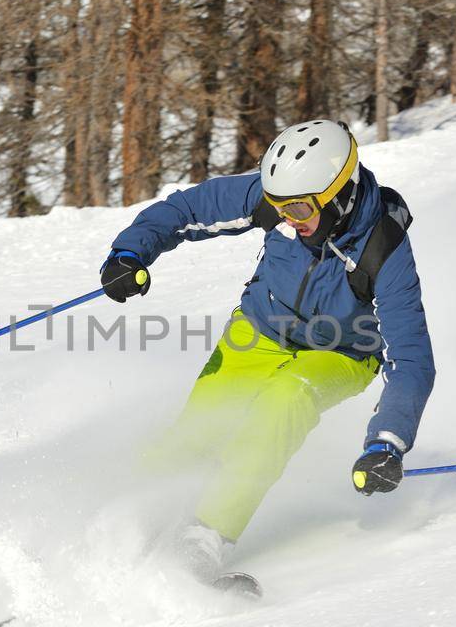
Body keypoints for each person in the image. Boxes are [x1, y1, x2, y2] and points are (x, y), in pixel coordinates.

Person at [99, 119, 436, 582]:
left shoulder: (384, 247)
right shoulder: (283, 203)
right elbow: (188, 209)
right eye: (279, 208)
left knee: (281, 405)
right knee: (198, 430)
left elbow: (412, 359)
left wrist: (387, 442)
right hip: (258, 331)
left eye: (298, 209)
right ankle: (117, 531)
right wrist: (130, 254)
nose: (289, 220)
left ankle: (204, 539)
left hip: (340, 352)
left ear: (339, 196)